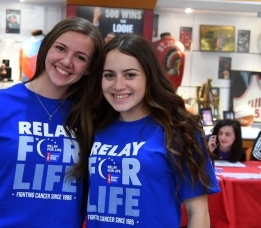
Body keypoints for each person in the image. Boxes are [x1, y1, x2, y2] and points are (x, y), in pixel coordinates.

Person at [0, 17, 103, 228]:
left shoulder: (91, 116)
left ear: (88, 68)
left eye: (80, 57)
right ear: (46, 48)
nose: (67, 61)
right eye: (60, 48)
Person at [74, 34, 220, 227]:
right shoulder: (94, 127)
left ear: (149, 76)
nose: (118, 85)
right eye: (109, 75)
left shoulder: (178, 130)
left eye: (130, 74)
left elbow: (198, 213)